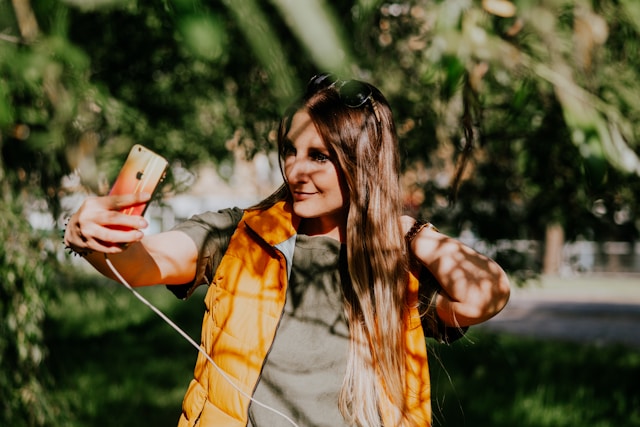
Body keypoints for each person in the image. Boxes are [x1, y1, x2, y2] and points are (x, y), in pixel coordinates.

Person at [63, 73, 511, 427]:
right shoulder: (240, 234)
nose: (296, 169)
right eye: (290, 151)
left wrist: (408, 231)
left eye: (319, 155)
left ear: (363, 161)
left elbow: (485, 293)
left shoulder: (398, 264)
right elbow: (143, 263)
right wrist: (94, 236)